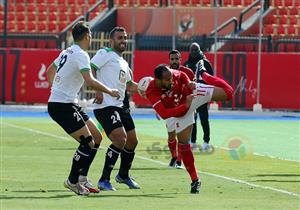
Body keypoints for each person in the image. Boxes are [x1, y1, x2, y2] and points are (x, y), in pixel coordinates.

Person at [46, 21, 120, 195]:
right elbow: (89, 80)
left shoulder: (67, 51)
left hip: (67, 102)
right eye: (91, 35)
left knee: (96, 137)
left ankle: (82, 178)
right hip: (62, 105)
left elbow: (50, 71)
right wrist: (110, 90)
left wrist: (55, 89)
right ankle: (72, 181)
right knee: (87, 142)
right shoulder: (81, 54)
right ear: (87, 36)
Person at [143, 62, 233, 193]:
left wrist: (189, 82)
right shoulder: (151, 91)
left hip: (191, 93)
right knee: (184, 145)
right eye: (168, 80)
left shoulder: (171, 73)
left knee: (228, 93)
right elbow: (164, 114)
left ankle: (203, 74)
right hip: (181, 110)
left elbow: (182, 74)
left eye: (172, 78)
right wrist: (185, 106)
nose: (172, 81)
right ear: (157, 80)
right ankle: (195, 180)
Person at [90, 26, 140, 191]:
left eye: (125, 38)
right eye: (120, 38)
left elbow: (129, 86)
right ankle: (104, 180)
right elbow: (91, 67)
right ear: (111, 41)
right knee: (120, 139)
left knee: (132, 141)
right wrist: (97, 89)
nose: (123, 41)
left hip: (120, 106)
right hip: (106, 105)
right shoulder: (105, 53)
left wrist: (145, 88)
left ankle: (123, 175)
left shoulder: (124, 63)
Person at [166, 50, 194, 169]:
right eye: (172, 59)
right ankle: (173, 156)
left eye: (176, 59)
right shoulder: (164, 73)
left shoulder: (188, 72)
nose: (174, 61)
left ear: (180, 59)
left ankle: (179, 161)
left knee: (182, 136)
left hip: (186, 109)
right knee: (171, 135)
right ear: (169, 60)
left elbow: (193, 88)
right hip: (171, 109)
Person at [184, 42, 214, 151]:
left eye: (196, 50)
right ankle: (193, 141)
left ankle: (206, 142)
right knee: (193, 119)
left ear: (199, 50)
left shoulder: (205, 63)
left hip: (203, 95)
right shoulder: (186, 64)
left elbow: (211, 79)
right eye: (192, 50)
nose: (194, 52)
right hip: (192, 96)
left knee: (204, 119)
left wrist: (209, 93)